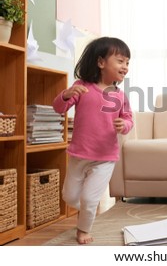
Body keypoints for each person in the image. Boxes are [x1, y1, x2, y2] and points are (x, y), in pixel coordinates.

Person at [52, 37, 133, 244]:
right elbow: (59, 108)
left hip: (105, 157)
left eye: (127, 62)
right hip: (79, 154)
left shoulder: (120, 95)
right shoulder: (82, 86)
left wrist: (123, 125)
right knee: (70, 197)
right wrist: (66, 94)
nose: (125, 66)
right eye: (120, 61)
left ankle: (83, 229)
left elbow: (128, 118)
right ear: (101, 62)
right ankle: (86, 207)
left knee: (89, 199)